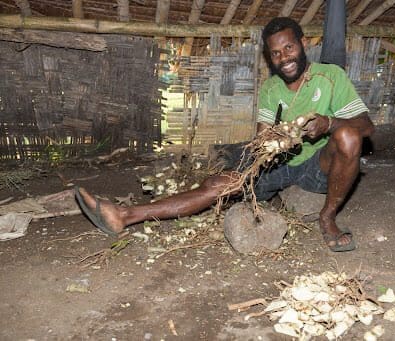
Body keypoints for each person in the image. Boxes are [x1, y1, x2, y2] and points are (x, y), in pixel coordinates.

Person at [75, 17, 374, 252]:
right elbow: (261, 139)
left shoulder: (331, 76)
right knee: (218, 184)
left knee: (348, 136)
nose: (284, 58)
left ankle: (327, 218)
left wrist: (328, 124)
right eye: (276, 53)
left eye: (289, 48)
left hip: (318, 166)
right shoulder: (271, 89)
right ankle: (125, 216)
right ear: (269, 57)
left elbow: (366, 126)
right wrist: (276, 139)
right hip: (280, 164)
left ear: (303, 43)